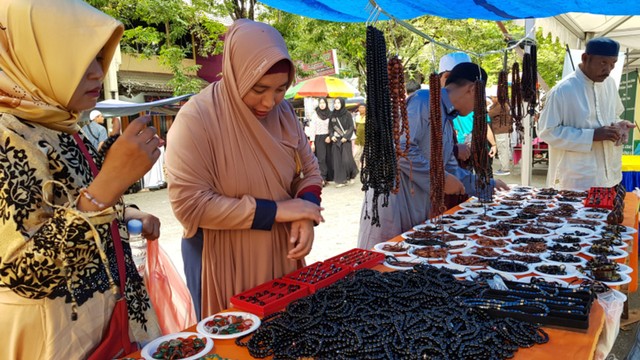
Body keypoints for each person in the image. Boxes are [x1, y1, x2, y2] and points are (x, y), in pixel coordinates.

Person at [0, 0, 162, 358]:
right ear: (32, 56)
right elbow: (22, 273)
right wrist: (108, 185)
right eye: (78, 57)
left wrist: (127, 213)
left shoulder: (60, 121)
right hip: (52, 334)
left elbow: (77, 203)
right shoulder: (7, 134)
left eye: (100, 57)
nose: (97, 73)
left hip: (104, 322)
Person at [165, 19, 324, 319]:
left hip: (281, 251)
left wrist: (306, 212)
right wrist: (279, 211)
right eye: (259, 88)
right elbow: (190, 205)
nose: (269, 102)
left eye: (280, 89)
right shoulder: (196, 119)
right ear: (236, 71)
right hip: (220, 255)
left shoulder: (285, 113)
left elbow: (310, 172)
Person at [358, 63, 509, 249]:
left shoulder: (446, 117)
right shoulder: (424, 100)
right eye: (479, 100)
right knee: (383, 257)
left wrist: (486, 185)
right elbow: (402, 149)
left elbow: (450, 167)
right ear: (471, 89)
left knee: (409, 256)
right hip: (394, 200)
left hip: (417, 201)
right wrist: (441, 179)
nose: (478, 108)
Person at [538, 37, 634, 190]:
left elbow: (612, 116)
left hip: (609, 176)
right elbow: (546, 131)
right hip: (576, 181)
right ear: (585, 58)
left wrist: (619, 125)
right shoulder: (563, 90)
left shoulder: (609, 84)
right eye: (603, 63)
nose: (608, 70)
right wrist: (591, 136)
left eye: (613, 64)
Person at [438, 52, 497, 165]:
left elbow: (450, 169)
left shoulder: (449, 112)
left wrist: (471, 181)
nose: (476, 106)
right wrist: (454, 150)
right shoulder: (422, 104)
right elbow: (407, 152)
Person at [329, 97, 359, 187]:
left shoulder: (347, 114)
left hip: (345, 139)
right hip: (336, 140)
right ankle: (341, 180)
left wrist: (346, 137)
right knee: (337, 160)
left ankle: (352, 173)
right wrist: (332, 136)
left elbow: (351, 127)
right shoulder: (332, 115)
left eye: (338, 103)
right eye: (335, 103)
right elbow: (330, 128)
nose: (336, 105)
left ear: (342, 103)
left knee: (347, 159)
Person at [307, 97, 333, 185]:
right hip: (318, 138)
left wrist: (330, 136)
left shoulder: (330, 114)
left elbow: (332, 127)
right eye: (320, 103)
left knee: (328, 158)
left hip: (328, 139)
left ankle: (327, 178)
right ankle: (322, 178)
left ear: (326, 104)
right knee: (321, 158)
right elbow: (312, 129)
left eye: (323, 103)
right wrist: (312, 142)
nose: (322, 105)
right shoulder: (315, 115)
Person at [489, 95, 513, 175]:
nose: (492, 99)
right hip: (501, 130)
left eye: (493, 97)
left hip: (501, 130)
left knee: (502, 149)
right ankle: (504, 167)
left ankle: (505, 169)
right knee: (503, 149)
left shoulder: (500, 105)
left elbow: (490, 114)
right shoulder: (502, 105)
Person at [353, 103, 366, 169]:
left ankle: (365, 168)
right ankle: (356, 168)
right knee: (356, 155)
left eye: (363, 107)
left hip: (366, 140)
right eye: (360, 107)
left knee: (365, 155)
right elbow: (355, 128)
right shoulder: (357, 117)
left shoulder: (368, 118)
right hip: (358, 140)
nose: (361, 109)